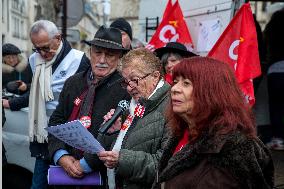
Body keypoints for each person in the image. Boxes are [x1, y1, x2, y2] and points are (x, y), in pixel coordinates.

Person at [153, 57, 274, 189]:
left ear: (212, 91)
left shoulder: (236, 146)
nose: (174, 89)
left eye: (186, 83)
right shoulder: (180, 134)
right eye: (175, 82)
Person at [47, 26, 130, 189]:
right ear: (90, 52)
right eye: (97, 52)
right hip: (65, 175)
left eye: (110, 55)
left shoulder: (126, 89)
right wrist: (61, 156)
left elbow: (121, 136)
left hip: (103, 178)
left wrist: (85, 164)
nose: (102, 60)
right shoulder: (73, 82)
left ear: (120, 57)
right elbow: (57, 121)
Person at [28, 20, 90, 189]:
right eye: (37, 48)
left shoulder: (78, 59)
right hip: (42, 136)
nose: (42, 53)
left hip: (67, 138)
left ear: (58, 38)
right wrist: (11, 102)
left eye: (46, 48)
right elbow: (30, 91)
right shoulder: (34, 60)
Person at [98, 48, 170, 189]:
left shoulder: (171, 108)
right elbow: (123, 146)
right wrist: (113, 132)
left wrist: (122, 160)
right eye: (126, 82)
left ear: (155, 76)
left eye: (135, 80)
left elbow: (165, 165)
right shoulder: (133, 105)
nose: (129, 88)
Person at [263, 8, 284, 150]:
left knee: (277, 106)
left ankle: (279, 139)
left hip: (276, 68)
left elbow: (265, 42)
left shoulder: (274, 26)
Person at [2, 43, 33, 110]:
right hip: (5, 106)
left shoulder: (28, 68)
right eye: (8, 57)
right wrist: (6, 87)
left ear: (18, 56)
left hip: (25, 106)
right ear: (3, 59)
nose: (11, 60)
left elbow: (36, 86)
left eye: (13, 57)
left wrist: (26, 87)